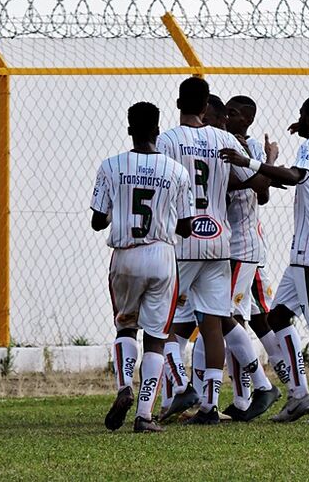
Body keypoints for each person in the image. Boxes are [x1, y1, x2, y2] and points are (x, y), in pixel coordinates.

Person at [220, 95, 309, 424]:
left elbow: (295, 176)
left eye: (301, 115)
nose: (297, 119)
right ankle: (298, 395)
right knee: (277, 317)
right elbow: (305, 181)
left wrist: (250, 161)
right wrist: (275, 164)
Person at [156, 78, 277, 425]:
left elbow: (161, 186)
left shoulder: (168, 141)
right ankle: (209, 404)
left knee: (163, 323)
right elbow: (258, 185)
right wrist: (267, 162)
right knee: (213, 323)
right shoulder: (224, 140)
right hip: (219, 242)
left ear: (179, 102)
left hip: (184, 241)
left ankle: (182, 388)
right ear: (206, 107)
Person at [90, 101, 194, 433]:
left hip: (125, 256)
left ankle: (124, 387)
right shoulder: (177, 171)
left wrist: (118, 211)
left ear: (130, 128)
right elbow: (187, 226)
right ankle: (144, 415)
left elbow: (97, 221)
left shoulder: (111, 166)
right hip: (162, 257)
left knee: (125, 328)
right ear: (157, 130)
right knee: (156, 338)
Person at [219, 95, 284, 420]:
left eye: (234, 113)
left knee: (225, 317)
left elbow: (264, 191)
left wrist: (265, 162)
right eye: (226, 112)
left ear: (246, 119)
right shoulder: (227, 143)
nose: (228, 117)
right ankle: (292, 390)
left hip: (241, 245)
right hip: (240, 244)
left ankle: (252, 393)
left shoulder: (252, 148)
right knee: (258, 319)